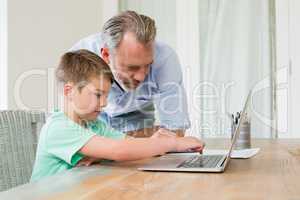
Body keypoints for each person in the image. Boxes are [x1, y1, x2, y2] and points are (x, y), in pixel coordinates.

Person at [30, 50, 204, 182]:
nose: (104, 103)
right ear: (69, 91)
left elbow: (127, 143)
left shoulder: (94, 125)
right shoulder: (59, 128)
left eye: (106, 95)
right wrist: (172, 142)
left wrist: (155, 142)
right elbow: (118, 150)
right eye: (98, 95)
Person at [70, 10, 190, 137]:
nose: (141, 76)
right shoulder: (78, 58)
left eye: (148, 65)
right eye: (132, 67)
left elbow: (175, 130)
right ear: (106, 55)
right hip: (94, 125)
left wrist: (116, 141)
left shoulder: (165, 59)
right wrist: (148, 138)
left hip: (138, 121)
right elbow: (74, 134)